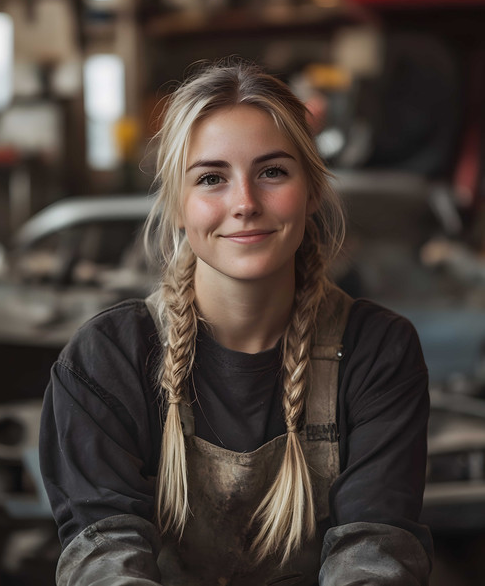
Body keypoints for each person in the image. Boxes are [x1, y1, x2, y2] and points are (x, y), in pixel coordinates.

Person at [40, 60, 433, 585]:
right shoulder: (108, 359)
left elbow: (375, 555)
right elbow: (104, 560)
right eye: (211, 178)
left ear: (312, 190)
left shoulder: (376, 351)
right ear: (178, 204)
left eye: (272, 172)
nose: (245, 203)